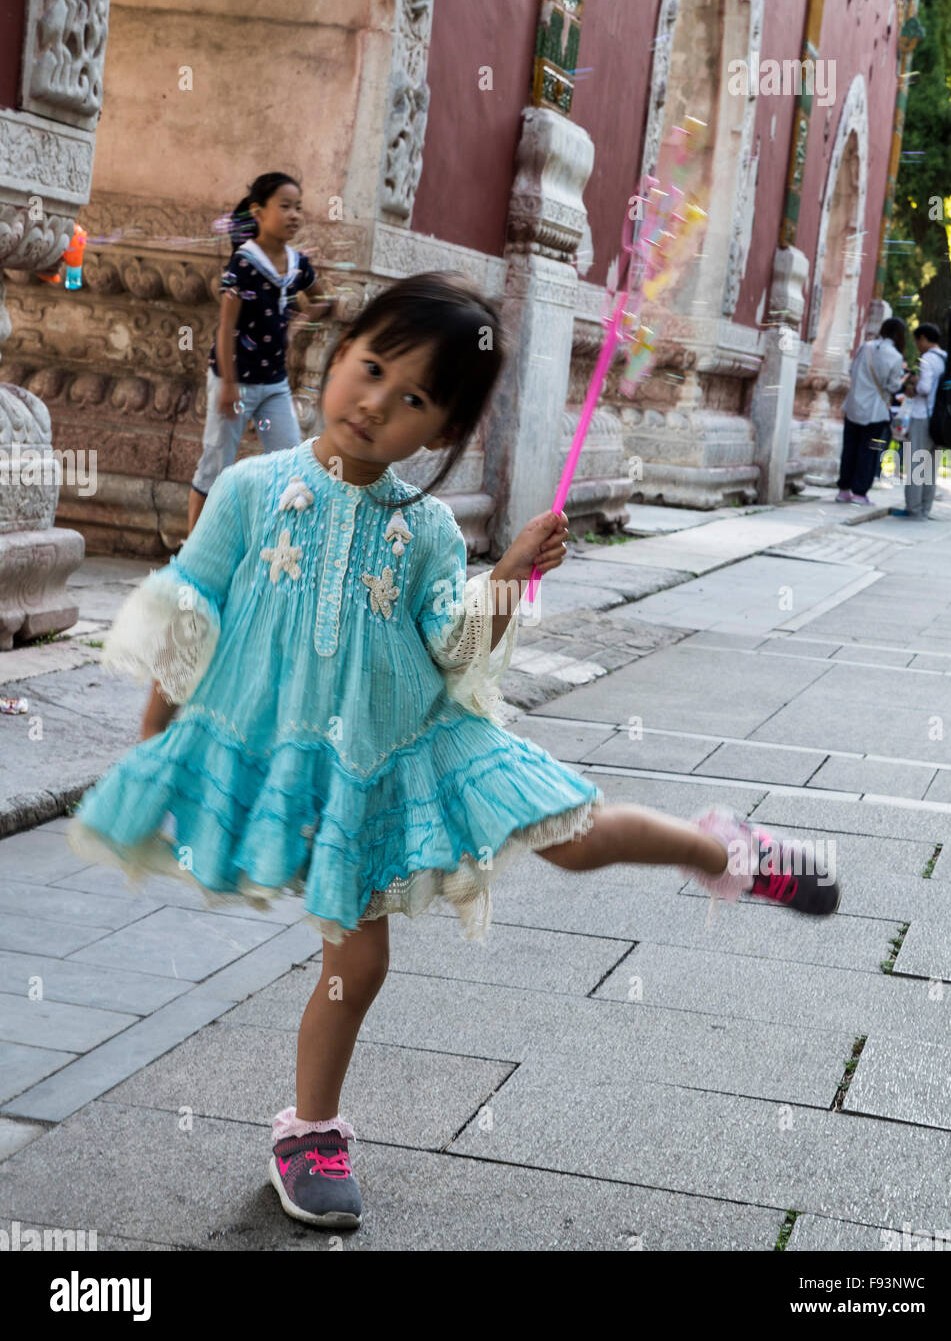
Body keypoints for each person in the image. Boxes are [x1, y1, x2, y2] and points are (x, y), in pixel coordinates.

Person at [66, 272, 841, 1232]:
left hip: (420, 743)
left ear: (437, 435)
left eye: (415, 399)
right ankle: (310, 1131)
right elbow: (192, 611)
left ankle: (724, 853)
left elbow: (452, 645)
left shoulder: (425, 526)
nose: (377, 402)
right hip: (306, 762)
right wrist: (157, 747)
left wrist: (509, 574)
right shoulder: (250, 488)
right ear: (337, 354)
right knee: (360, 957)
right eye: (373, 367)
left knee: (569, 831)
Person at [187, 172, 332, 535]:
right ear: (258, 212)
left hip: (274, 385)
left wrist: (294, 328)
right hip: (234, 381)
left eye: (299, 207)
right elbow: (226, 328)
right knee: (216, 462)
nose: (294, 214)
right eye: (284, 206)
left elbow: (324, 300)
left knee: (292, 461)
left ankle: (283, 543)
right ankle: (193, 545)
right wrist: (228, 385)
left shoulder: (297, 265)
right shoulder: (244, 264)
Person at [836, 317, 907, 505]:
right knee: (869, 452)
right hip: (875, 411)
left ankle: (843, 489)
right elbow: (892, 386)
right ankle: (860, 492)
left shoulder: (864, 347)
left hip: (853, 405)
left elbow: (852, 371)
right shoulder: (896, 356)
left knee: (849, 448)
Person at [890, 323, 948, 520]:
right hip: (940, 420)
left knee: (916, 464)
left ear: (923, 338)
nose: (917, 345)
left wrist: (913, 387)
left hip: (922, 416)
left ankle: (913, 508)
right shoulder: (946, 358)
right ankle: (925, 508)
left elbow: (924, 388)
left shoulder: (927, 359)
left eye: (917, 340)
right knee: (931, 466)